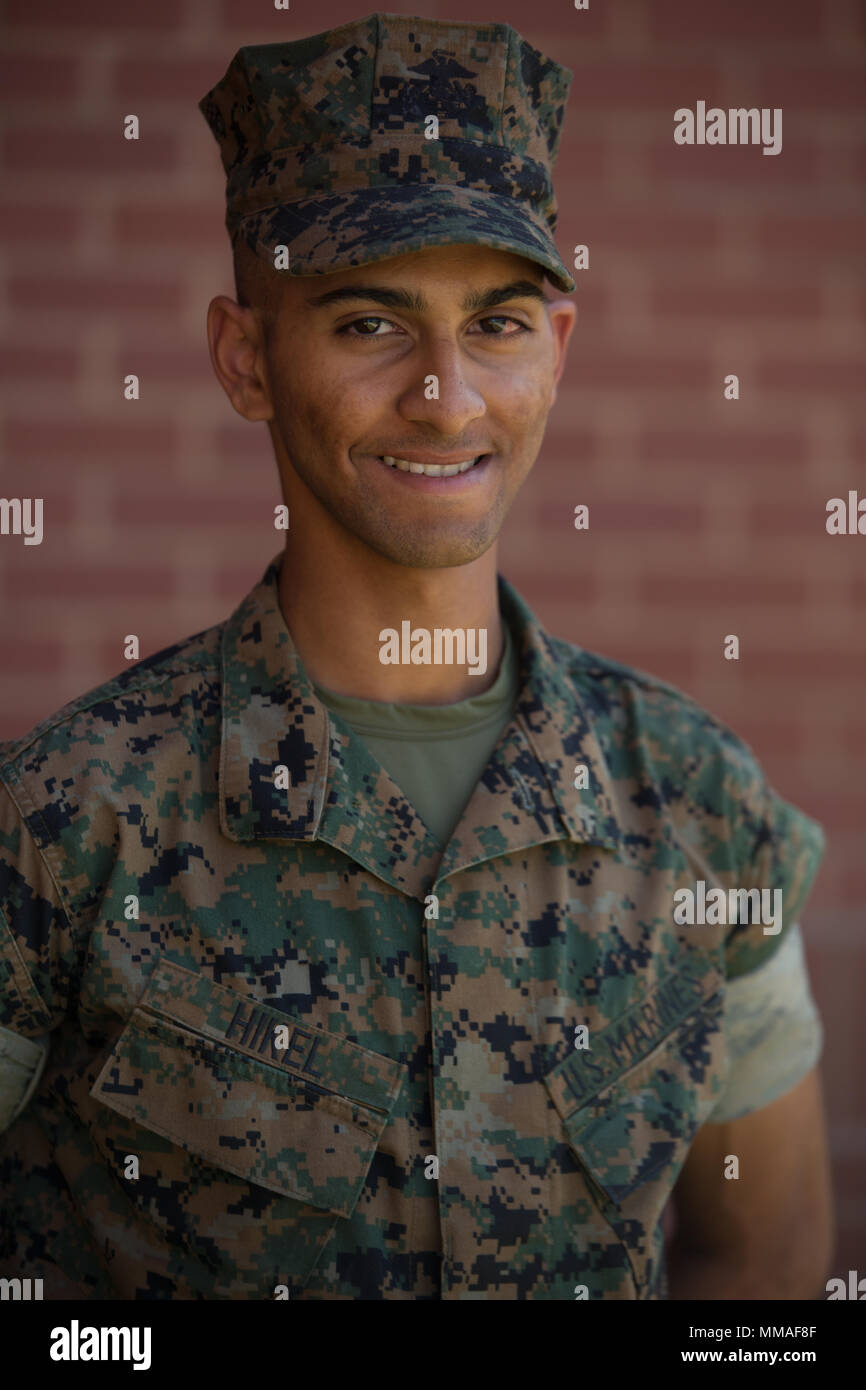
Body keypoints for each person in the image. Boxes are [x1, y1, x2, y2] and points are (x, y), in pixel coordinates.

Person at [0, 12, 832, 1300]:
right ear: (245, 358)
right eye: (368, 323)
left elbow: (764, 1261)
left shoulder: (698, 802)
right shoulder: (66, 819)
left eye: (495, 324)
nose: (446, 396)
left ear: (554, 354)